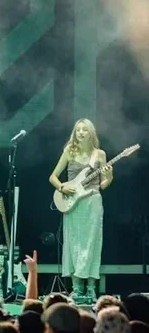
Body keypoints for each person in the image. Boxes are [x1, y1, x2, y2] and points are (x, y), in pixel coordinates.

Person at [49, 118, 112, 302]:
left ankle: (91, 289)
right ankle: (77, 288)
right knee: (74, 243)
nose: (81, 133)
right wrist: (62, 187)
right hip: (73, 204)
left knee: (92, 243)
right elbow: (53, 177)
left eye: (85, 130)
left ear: (91, 132)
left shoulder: (99, 154)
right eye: (78, 130)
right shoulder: (69, 151)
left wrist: (109, 176)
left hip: (93, 201)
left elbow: (103, 184)